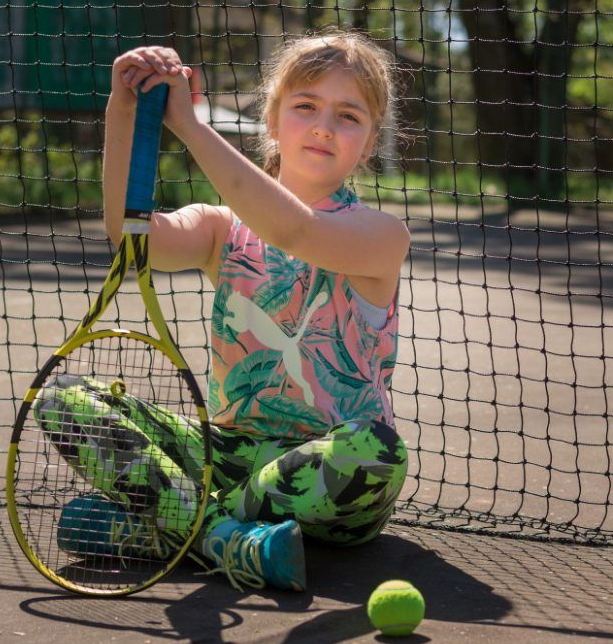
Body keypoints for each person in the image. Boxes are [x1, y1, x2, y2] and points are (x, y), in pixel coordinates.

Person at [34, 31, 411, 593]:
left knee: (377, 450)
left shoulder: (381, 236)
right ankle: (222, 537)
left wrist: (190, 124)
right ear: (273, 119)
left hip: (323, 476)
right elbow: (132, 236)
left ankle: (170, 524)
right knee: (61, 399)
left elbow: (294, 229)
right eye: (305, 106)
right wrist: (125, 109)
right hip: (223, 451)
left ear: (370, 139)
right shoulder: (219, 228)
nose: (324, 127)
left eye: (348, 116)